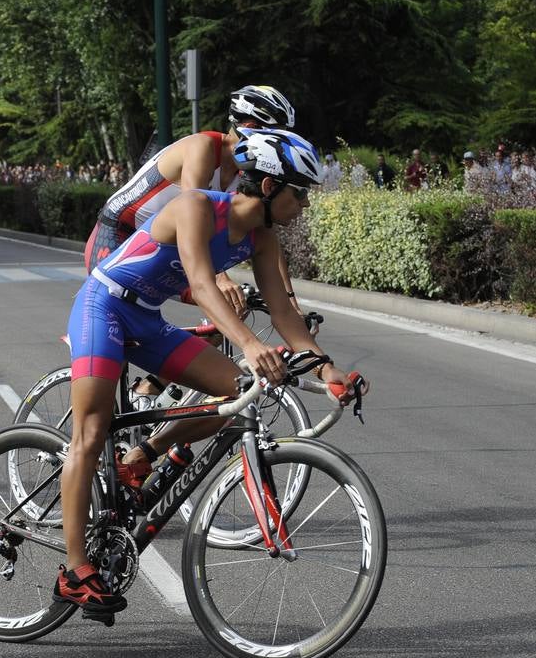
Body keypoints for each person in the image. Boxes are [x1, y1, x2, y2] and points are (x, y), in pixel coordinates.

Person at [54, 129, 364, 615]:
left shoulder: (262, 239)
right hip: (104, 306)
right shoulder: (198, 206)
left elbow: (284, 312)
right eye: (299, 192)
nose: (304, 204)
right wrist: (248, 342)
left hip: (147, 318)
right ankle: (75, 569)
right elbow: (201, 284)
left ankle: (142, 455)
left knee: (238, 393)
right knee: (90, 433)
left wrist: (328, 370)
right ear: (267, 187)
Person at [84, 85, 297, 312]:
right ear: (250, 127)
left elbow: (264, 231)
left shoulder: (250, 172)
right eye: (279, 138)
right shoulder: (202, 147)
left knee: (231, 304)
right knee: (119, 313)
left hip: (159, 239)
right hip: (119, 231)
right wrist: (220, 278)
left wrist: (289, 299)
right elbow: (194, 215)